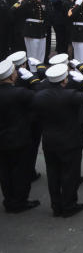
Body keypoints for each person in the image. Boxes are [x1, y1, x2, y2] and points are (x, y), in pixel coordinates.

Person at [32, 63, 83, 217]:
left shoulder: (40, 95)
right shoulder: (69, 95)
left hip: (49, 140)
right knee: (69, 174)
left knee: (53, 174)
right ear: (64, 81)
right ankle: (69, 205)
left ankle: (56, 206)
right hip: (70, 140)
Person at [0, 58, 39, 213]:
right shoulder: (19, 93)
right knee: (20, 172)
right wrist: (32, 78)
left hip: (2, 139)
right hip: (19, 138)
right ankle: (19, 201)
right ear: (11, 76)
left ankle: (9, 199)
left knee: (5, 172)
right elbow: (39, 93)